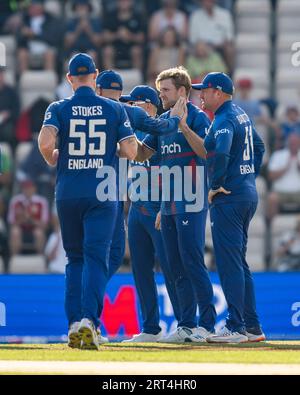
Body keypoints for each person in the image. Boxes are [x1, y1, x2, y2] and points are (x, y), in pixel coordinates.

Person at [38, 53, 137, 350]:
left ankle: (72, 323)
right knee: (96, 257)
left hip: (68, 191)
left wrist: (53, 157)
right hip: (102, 192)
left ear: (70, 79)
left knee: (75, 259)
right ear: (95, 76)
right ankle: (89, 322)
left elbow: (45, 143)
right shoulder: (113, 109)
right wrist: (112, 151)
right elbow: (131, 150)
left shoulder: (58, 107)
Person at [95, 72, 189, 342]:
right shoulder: (128, 132)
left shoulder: (160, 131)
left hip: (158, 208)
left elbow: (170, 172)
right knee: (141, 270)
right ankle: (150, 328)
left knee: (170, 268)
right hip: (137, 209)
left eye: (134, 104)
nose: (128, 108)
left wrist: (164, 207)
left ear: (147, 106)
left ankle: (185, 324)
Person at [136, 66, 217, 343]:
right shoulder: (162, 121)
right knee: (174, 265)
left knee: (192, 262)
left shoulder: (197, 118)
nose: (162, 97)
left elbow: (207, 151)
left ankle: (206, 325)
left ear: (183, 92)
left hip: (192, 202)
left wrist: (182, 124)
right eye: (160, 92)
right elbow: (141, 153)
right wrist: (125, 127)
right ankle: (185, 325)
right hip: (168, 203)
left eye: (166, 91)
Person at [192, 72, 266, 343]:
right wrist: (248, 176)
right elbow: (259, 146)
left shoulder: (224, 118)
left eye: (205, 90)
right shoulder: (240, 115)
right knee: (239, 262)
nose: (200, 94)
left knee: (229, 262)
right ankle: (252, 327)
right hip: (245, 194)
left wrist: (217, 183)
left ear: (219, 93)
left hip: (230, 198)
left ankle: (235, 326)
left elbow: (220, 152)